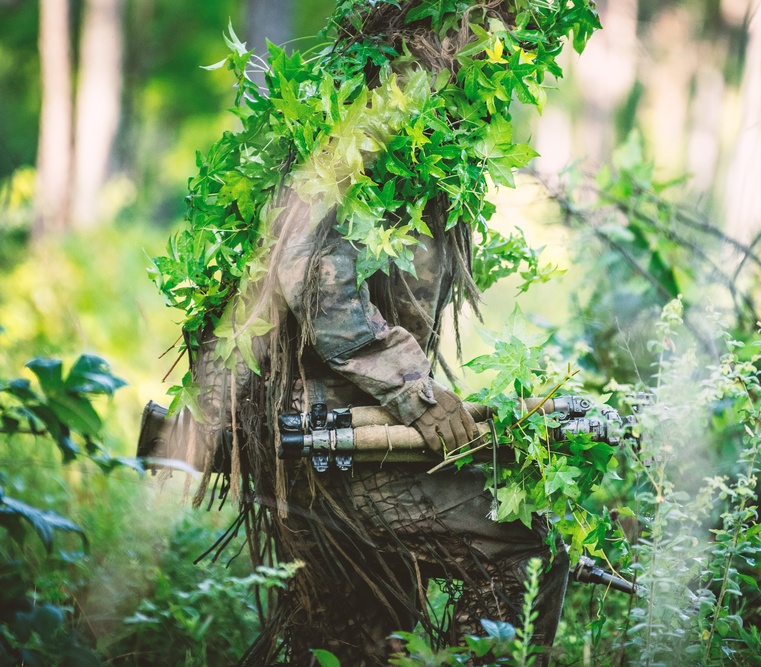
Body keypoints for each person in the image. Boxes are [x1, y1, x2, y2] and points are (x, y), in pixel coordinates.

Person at [168, 3, 599, 664]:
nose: (493, 70)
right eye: (481, 48)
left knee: (366, 634)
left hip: (349, 426)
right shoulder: (373, 127)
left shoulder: (426, 142)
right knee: (513, 528)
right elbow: (309, 270)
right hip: (321, 434)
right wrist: (416, 393)